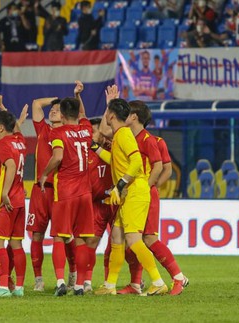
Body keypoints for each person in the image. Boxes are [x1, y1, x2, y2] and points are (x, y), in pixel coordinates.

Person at [92, 98, 167, 296]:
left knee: (133, 239)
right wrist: (96, 149)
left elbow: (136, 163)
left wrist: (121, 183)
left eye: (107, 111)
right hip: (128, 192)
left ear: (111, 116)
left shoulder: (123, 134)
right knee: (117, 236)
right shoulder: (120, 134)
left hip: (135, 190)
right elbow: (116, 161)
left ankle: (158, 281)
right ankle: (110, 286)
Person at [117, 100, 189, 296]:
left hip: (143, 194)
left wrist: (147, 187)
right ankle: (135, 283)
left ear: (134, 117)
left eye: (127, 113)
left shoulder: (150, 140)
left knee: (148, 238)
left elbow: (161, 168)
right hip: (131, 194)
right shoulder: (129, 138)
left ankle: (178, 277)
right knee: (132, 241)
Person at [39, 86, 95, 296]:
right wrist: (79, 95)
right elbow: (84, 115)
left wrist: (45, 174)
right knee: (81, 239)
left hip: (65, 192)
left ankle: (61, 281)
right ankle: (80, 285)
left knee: (59, 238)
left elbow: (58, 157)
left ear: (61, 114)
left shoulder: (57, 132)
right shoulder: (87, 128)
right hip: (85, 193)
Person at [27, 96, 77, 292]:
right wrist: (57, 99)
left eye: (57, 109)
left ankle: (72, 273)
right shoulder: (43, 130)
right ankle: (38, 279)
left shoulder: (69, 133)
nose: (53, 111)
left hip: (61, 190)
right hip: (40, 190)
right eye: (52, 109)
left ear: (64, 115)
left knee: (65, 236)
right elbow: (36, 104)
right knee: (36, 235)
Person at [0, 110, 28, 298]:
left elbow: (10, 165)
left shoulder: (2, 144)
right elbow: (17, 130)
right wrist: (3, 109)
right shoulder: (20, 141)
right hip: (20, 199)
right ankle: (19, 287)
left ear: (1, 128)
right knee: (17, 244)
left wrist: (4, 193)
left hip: (5, 200)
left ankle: (3, 286)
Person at [84, 117, 115, 293]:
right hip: (96, 204)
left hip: (116, 202)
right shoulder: (86, 154)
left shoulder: (114, 149)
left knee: (116, 245)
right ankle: (86, 281)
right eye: (95, 132)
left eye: (99, 132)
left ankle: (110, 282)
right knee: (92, 242)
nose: (99, 135)